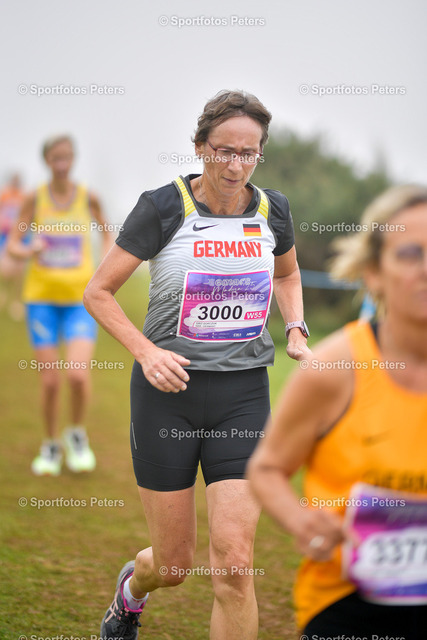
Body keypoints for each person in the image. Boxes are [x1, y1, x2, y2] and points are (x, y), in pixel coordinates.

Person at [83, 89, 311, 639]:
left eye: (248, 153)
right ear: (200, 147)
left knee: (234, 565)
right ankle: (131, 591)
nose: (235, 165)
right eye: (223, 151)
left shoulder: (273, 209)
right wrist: (147, 351)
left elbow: (286, 275)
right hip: (168, 395)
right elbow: (98, 292)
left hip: (243, 395)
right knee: (174, 565)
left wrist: (296, 329)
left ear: (260, 153)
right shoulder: (163, 206)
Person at [248, 184, 427, 639]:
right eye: (411, 254)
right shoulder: (333, 368)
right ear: (374, 273)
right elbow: (267, 469)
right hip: (345, 604)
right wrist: (302, 522)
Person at [8, 135, 112, 476]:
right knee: (51, 381)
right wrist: (30, 249)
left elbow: (108, 234)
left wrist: (105, 265)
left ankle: (76, 435)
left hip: (79, 301)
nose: (62, 163)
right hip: (41, 301)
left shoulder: (88, 197)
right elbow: (13, 244)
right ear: (47, 161)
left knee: (78, 376)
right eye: (56, 158)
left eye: (67, 157)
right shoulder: (34, 198)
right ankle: (51, 444)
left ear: (73, 158)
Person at [0, 173, 26, 320]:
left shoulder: (23, 197)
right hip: (4, 236)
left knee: (19, 271)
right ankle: (3, 295)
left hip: (20, 237)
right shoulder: (4, 195)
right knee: (4, 270)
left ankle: (15, 302)